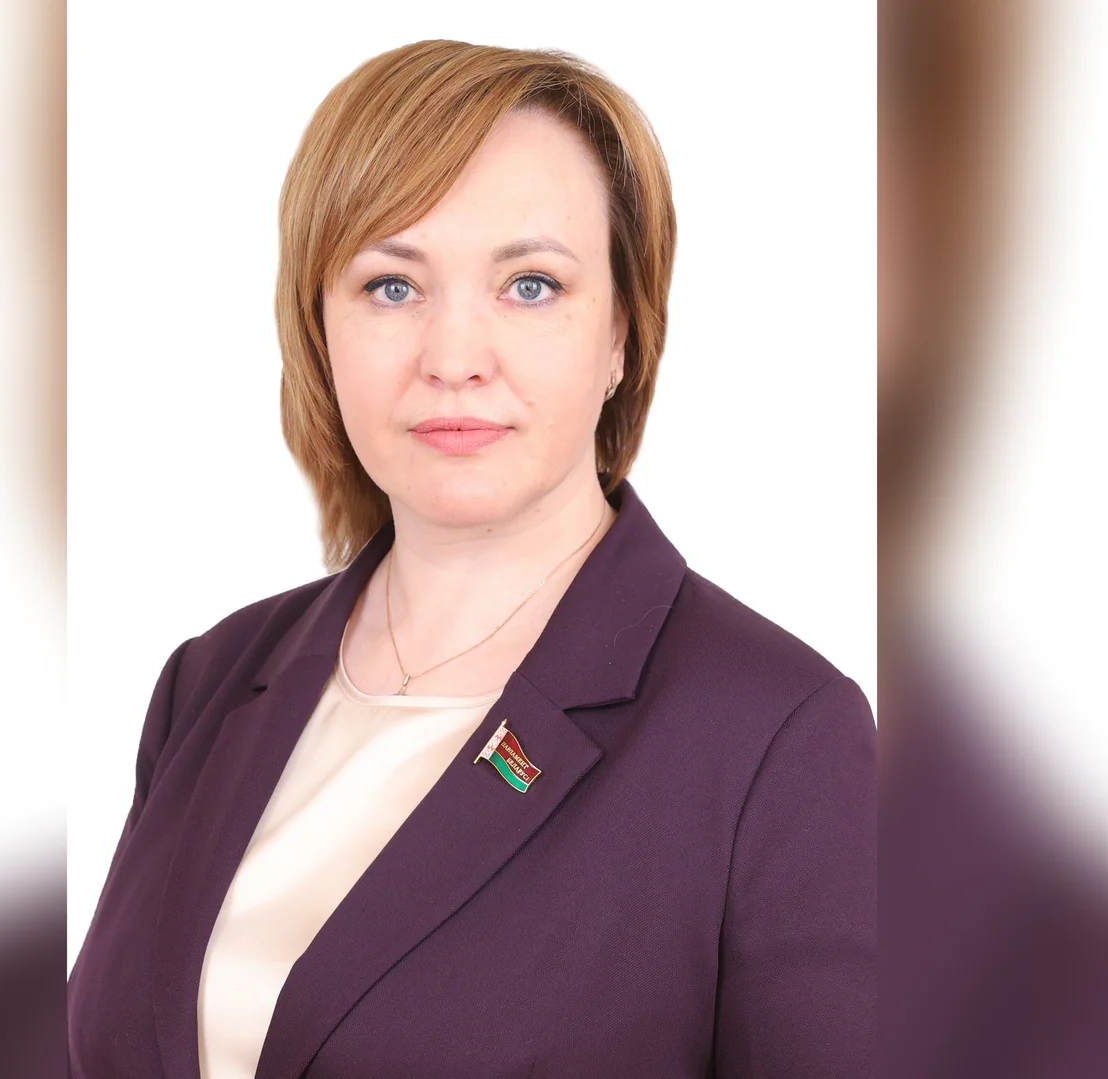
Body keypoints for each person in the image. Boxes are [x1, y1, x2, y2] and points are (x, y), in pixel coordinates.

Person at [68, 39, 875, 1079]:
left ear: (623, 333)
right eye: (391, 287)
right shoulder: (209, 681)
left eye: (530, 285)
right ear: (318, 329)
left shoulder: (775, 738)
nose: (453, 357)